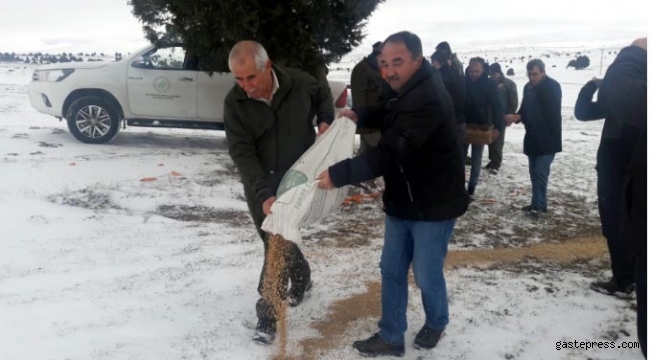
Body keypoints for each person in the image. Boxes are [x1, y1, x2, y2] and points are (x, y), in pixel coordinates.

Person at [317, 31, 469, 357]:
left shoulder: (427, 96)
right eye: (384, 64)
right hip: (403, 198)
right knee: (392, 269)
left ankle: (438, 320)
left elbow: (389, 152)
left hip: (434, 203)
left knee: (426, 275)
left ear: (418, 59)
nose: (389, 71)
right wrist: (362, 114)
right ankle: (391, 335)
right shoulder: (404, 88)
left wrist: (339, 174)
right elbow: (387, 109)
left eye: (397, 62)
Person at [223, 40, 334, 345]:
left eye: (251, 78)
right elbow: (243, 154)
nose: (246, 87)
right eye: (238, 79)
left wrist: (325, 118)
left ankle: (267, 313)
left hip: (296, 178)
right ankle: (303, 276)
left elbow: (323, 93)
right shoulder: (235, 103)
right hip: (260, 182)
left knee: (275, 245)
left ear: (267, 66)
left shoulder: (298, 83)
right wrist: (262, 194)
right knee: (273, 237)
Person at [595, 38, 647, 356]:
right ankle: (623, 276)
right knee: (615, 228)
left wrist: (634, 52)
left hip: (627, 185)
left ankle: (624, 277)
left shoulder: (637, 93)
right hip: (618, 179)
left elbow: (616, 89)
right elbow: (587, 109)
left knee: (620, 228)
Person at [574, 75, 636, 299]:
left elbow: (583, 111)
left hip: (617, 172)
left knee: (615, 225)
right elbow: (581, 112)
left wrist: (593, 85)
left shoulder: (624, 97)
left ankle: (624, 281)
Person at [505, 59, 561, 217]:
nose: (532, 78)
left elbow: (547, 112)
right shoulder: (528, 87)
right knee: (533, 173)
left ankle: (541, 206)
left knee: (540, 173)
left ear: (543, 72)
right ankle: (536, 202)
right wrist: (517, 116)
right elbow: (525, 108)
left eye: (535, 74)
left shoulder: (552, 87)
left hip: (548, 138)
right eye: (529, 74)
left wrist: (522, 117)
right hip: (532, 138)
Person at [464, 57, 504, 198]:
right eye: (471, 71)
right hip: (463, 125)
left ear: (482, 70)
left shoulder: (489, 84)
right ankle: (457, 187)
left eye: (477, 71)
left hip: (481, 127)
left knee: (476, 159)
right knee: (460, 157)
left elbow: (498, 107)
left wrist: (497, 127)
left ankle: (471, 189)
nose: (474, 74)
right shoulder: (464, 81)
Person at [351, 41, 389, 156]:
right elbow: (358, 97)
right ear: (377, 55)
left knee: (366, 151)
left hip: (375, 118)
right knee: (378, 152)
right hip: (369, 122)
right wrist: (362, 120)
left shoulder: (373, 68)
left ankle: (354, 171)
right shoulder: (362, 70)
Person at [431, 49, 467, 155]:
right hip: (460, 121)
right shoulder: (458, 76)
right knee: (458, 156)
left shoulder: (438, 78)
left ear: (436, 62)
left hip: (446, 123)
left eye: (432, 62)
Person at [486, 62, 518, 173]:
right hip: (489, 116)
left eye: (494, 74)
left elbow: (513, 102)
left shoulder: (509, 84)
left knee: (498, 140)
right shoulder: (490, 83)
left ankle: (496, 163)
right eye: (491, 74)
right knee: (490, 139)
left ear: (499, 72)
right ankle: (492, 160)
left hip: (502, 116)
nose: (492, 76)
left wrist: (510, 115)